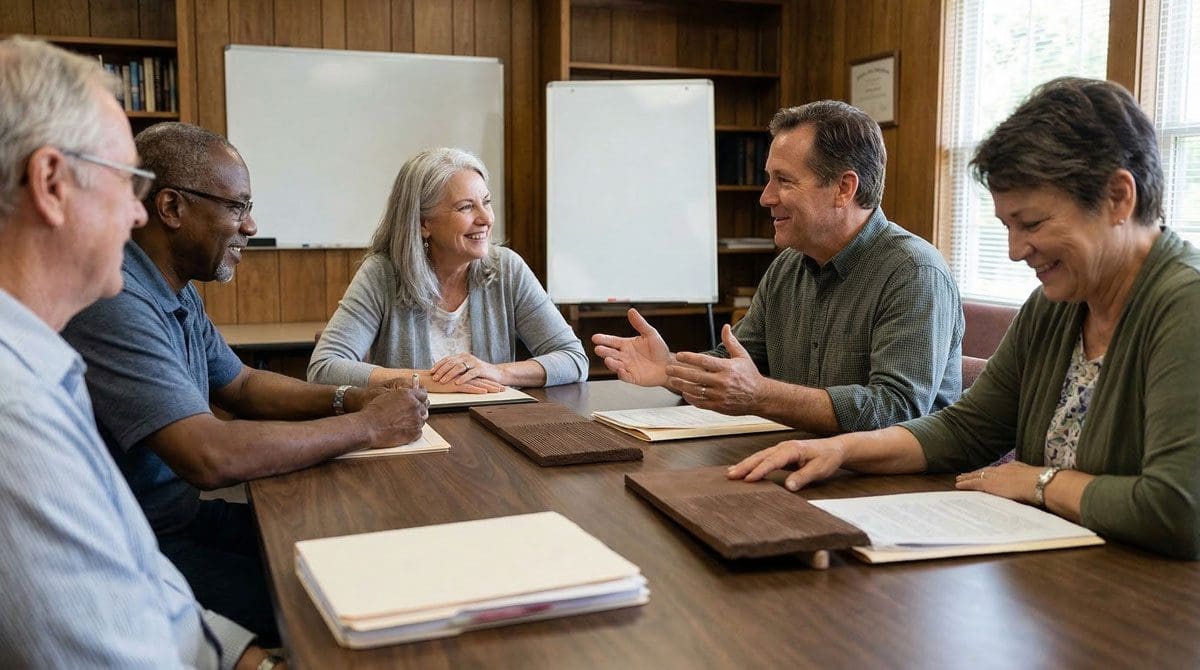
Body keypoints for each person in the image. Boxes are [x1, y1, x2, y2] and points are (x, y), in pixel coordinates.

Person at [730, 78, 1200, 560]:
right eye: (1008, 228)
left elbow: (1179, 508)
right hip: (1061, 577)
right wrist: (842, 451)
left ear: (1119, 198)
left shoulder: (1184, 306)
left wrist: (1040, 481)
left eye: (1033, 224)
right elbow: (965, 430)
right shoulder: (1054, 306)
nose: (1017, 251)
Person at [61, 122, 430, 644]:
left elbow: (242, 385)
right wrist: (366, 427)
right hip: (137, 552)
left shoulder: (173, 286)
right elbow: (210, 457)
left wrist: (350, 399)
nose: (251, 225)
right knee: (344, 608)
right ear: (171, 208)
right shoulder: (117, 299)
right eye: (237, 207)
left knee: (359, 546)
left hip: (178, 520)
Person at [0, 36, 281, 669]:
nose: (136, 215)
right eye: (126, 184)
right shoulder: (15, 412)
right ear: (51, 183)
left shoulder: (47, 367)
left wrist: (242, 656)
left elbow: (137, 576)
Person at [593, 101, 963, 434]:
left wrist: (762, 395)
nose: (766, 197)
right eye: (769, 178)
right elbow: (736, 361)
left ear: (843, 188)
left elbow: (896, 410)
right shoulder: (788, 268)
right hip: (801, 462)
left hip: (890, 490)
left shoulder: (914, 273)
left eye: (783, 180)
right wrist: (669, 368)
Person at [308, 147, 588, 391]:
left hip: (495, 427)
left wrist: (497, 371)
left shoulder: (507, 268)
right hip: (413, 430)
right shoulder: (382, 273)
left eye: (486, 202)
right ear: (423, 223)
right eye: (466, 207)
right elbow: (324, 369)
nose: (486, 218)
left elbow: (573, 358)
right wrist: (422, 381)